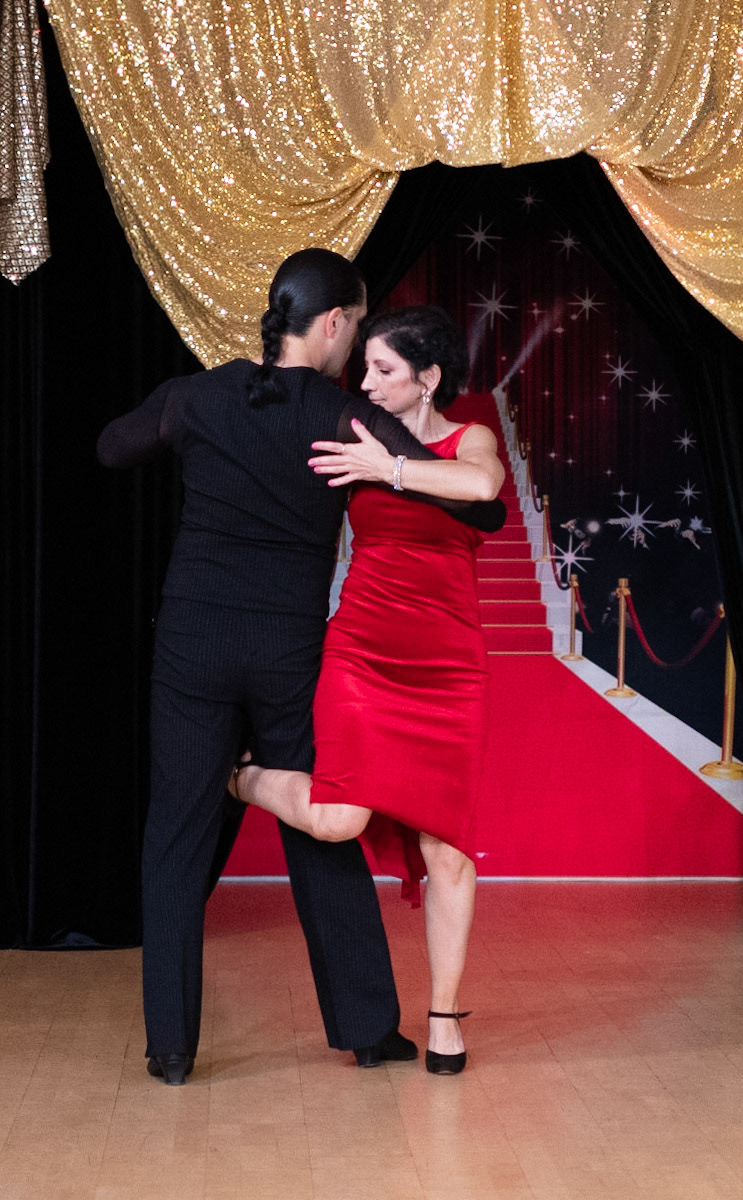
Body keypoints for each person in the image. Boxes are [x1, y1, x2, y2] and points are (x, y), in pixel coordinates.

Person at [96, 253, 505, 1086]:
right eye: (355, 331)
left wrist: (188, 419)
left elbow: (111, 448)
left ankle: (170, 1048)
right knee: (321, 826)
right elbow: (478, 505)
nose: (356, 353)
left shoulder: (198, 394)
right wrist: (390, 467)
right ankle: (368, 1029)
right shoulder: (344, 416)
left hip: (193, 642)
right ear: (333, 322)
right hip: (289, 650)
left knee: (174, 835)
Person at [232, 306, 505, 1075]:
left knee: (449, 852)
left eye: (385, 370)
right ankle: (239, 775)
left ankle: (444, 1017)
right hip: (363, 651)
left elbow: (481, 485)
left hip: (449, 666)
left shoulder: (468, 437)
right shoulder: (352, 430)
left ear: (429, 378)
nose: (369, 382)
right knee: (337, 818)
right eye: (366, 368)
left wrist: (388, 470)